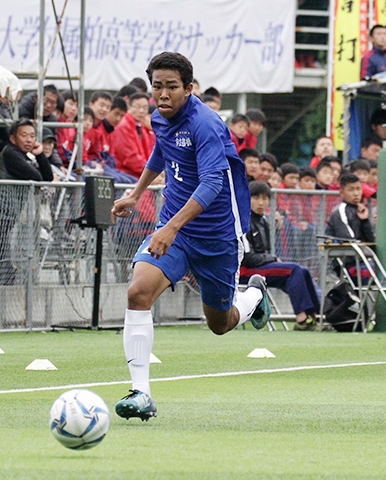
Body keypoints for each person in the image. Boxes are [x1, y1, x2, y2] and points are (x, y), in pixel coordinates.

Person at [110, 52, 270, 421]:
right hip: (175, 231)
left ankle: (254, 295)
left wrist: (170, 227)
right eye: (157, 87)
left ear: (189, 88)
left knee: (220, 323)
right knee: (138, 292)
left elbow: (214, 182)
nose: (162, 95)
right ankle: (141, 393)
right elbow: (161, 153)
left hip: (217, 237)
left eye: (171, 87)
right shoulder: (159, 117)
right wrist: (136, 193)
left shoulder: (207, 124)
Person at [241, 181, 322, 331]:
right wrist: (272, 259)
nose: (261, 202)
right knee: (294, 269)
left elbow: (263, 254)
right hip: (246, 271)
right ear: (247, 198)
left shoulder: (263, 222)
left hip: (260, 267)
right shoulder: (243, 221)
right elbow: (247, 258)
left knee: (301, 271)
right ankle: (302, 320)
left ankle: (317, 316)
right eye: (256, 198)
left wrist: (271, 258)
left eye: (265, 199)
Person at [0, 118, 54, 285]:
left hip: (4, 219)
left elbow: (46, 178)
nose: (28, 140)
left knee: (2, 269)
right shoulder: (11, 153)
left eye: (32, 136)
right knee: (1, 269)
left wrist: (40, 154)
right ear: (13, 138)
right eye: (24, 135)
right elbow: (37, 177)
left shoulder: (21, 155)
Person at [110, 92, 155, 179]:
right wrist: (150, 172)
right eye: (137, 107)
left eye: (145, 108)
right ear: (129, 107)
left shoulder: (141, 126)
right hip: (127, 173)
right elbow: (129, 157)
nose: (141, 111)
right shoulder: (123, 126)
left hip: (141, 172)